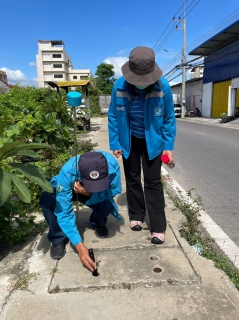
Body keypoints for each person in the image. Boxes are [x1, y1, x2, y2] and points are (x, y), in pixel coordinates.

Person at [108, 46, 176, 245]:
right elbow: (113, 115)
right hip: (129, 140)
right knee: (132, 178)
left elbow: (169, 118)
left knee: (153, 181)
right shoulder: (119, 86)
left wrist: (168, 146)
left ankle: (157, 226)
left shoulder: (163, 87)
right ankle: (136, 214)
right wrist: (115, 142)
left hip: (153, 141)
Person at [40, 150, 122, 272]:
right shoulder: (68, 170)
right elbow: (64, 212)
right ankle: (58, 238)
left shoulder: (112, 164)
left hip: (90, 192)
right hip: (69, 186)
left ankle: (97, 221)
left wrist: (88, 192)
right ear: (79, 169)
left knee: (107, 203)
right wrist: (80, 246)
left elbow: (114, 190)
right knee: (47, 198)